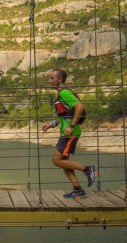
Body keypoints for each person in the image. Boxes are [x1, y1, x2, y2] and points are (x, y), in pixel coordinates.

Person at [42, 68, 95, 198]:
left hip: (70, 133)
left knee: (56, 160)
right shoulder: (61, 94)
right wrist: (52, 124)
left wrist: (71, 126)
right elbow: (65, 115)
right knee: (63, 161)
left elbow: (80, 107)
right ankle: (77, 189)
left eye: (52, 78)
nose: (50, 81)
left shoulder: (65, 92)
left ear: (60, 79)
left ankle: (88, 169)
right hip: (66, 132)